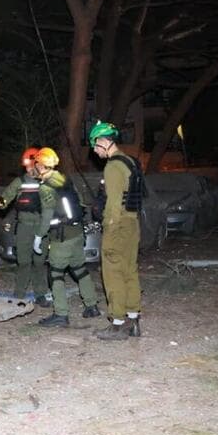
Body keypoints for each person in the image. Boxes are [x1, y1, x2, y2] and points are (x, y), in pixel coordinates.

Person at [34, 147, 101, 327]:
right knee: (80, 269)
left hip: (62, 238)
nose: (36, 167)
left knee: (55, 274)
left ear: (41, 165)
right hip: (77, 233)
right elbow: (79, 203)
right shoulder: (65, 179)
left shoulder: (46, 187)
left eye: (37, 164)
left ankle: (61, 314)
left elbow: (47, 215)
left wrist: (39, 236)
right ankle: (92, 306)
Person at [89, 121, 143, 340]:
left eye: (95, 145)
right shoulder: (131, 162)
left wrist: (106, 225)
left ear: (103, 141)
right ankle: (134, 319)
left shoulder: (112, 166)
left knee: (112, 273)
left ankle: (117, 323)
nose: (94, 150)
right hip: (132, 223)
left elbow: (112, 203)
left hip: (117, 224)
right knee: (130, 270)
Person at [0, 147, 50, 305]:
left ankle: (41, 294)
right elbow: (6, 197)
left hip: (41, 226)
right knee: (23, 261)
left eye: (31, 165)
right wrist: (0, 202)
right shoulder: (20, 181)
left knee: (39, 262)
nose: (29, 169)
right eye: (26, 166)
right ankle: (19, 293)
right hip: (24, 226)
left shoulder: (47, 180)